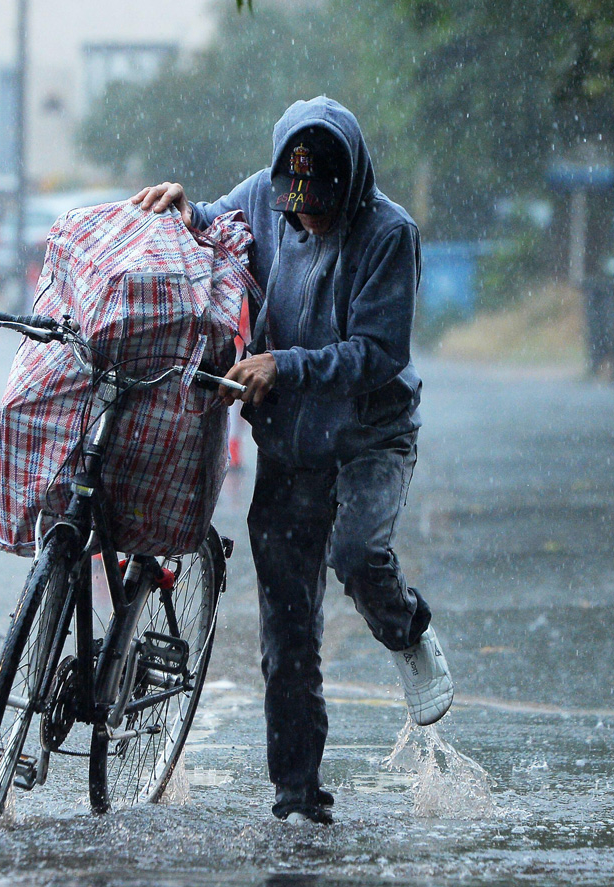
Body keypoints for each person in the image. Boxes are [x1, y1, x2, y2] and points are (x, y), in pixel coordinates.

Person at [131, 96, 452, 825]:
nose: (305, 222)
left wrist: (288, 365)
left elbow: (379, 353)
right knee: (287, 629)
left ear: (352, 190)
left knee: (358, 551)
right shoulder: (264, 198)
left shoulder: (389, 234)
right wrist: (184, 210)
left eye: (322, 209)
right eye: (295, 209)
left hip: (371, 434)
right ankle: (297, 794)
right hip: (290, 442)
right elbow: (212, 223)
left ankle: (406, 631)